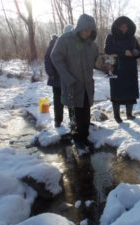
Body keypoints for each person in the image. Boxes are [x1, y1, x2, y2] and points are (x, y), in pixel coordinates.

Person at [51, 14, 98, 150]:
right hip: (72, 84)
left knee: (86, 111)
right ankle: (77, 138)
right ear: (79, 28)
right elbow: (55, 57)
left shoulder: (92, 45)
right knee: (76, 113)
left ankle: (85, 136)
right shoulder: (65, 40)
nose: (86, 33)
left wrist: (107, 65)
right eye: (84, 30)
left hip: (87, 84)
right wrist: (67, 76)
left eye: (89, 31)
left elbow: (96, 62)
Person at [104, 16, 140, 123]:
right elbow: (107, 49)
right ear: (117, 27)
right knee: (116, 92)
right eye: (122, 27)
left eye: (126, 26)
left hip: (130, 69)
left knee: (130, 92)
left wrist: (136, 52)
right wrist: (123, 52)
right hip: (116, 67)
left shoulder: (132, 38)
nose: (124, 29)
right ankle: (117, 116)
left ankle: (129, 114)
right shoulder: (111, 37)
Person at [44, 25, 73, 128]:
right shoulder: (54, 43)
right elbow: (48, 59)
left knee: (71, 99)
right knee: (58, 101)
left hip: (69, 78)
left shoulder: (74, 44)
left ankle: (72, 120)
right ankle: (58, 121)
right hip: (56, 78)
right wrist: (51, 73)